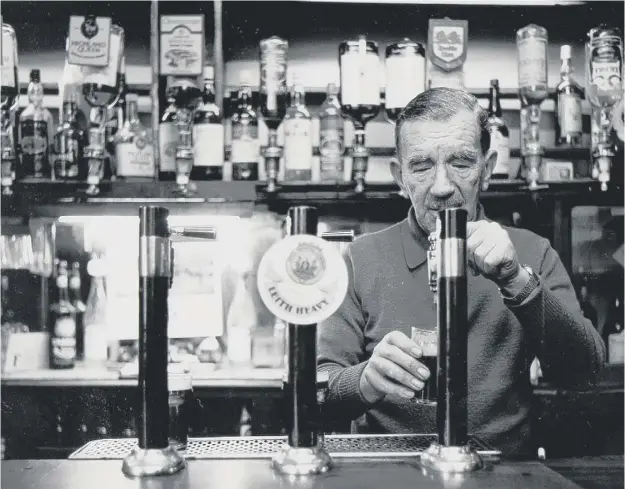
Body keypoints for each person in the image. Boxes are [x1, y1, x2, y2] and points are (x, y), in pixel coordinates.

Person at [317, 87, 605, 458]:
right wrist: (363, 380)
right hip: (392, 472)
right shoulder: (359, 259)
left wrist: (516, 279)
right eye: (421, 167)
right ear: (399, 178)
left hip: (502, 475)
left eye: (461, 163)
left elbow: (585, 373)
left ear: (486, 170)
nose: (442, 187)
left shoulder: (532, 251)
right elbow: (316, 391)